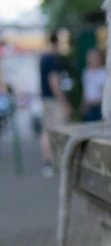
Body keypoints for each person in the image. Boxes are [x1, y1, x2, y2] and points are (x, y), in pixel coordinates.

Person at [40, 31, 71, 177]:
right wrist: (64, 103)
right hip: (54, 101)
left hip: (46, 99)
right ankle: (60, 163)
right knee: (59, 130)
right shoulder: (53, 60)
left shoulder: (43, 59)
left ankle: (48, 163)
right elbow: (54, 83)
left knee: (47, 131)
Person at [80, 48, 107, 122]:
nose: (94, 59)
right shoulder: (86, 72)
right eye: (91, 57)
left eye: (96, 57)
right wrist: (83, 105)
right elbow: (85, 90)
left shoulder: (104, 72)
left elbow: (106, 92)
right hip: (89, 107)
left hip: (100, 107)